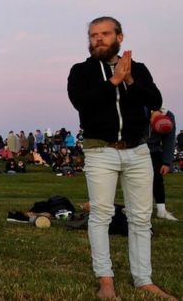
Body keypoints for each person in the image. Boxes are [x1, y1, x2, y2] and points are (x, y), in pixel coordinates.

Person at [67, 16, 175, 300]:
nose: (98, 39)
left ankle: (144, 279)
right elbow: (82, 103)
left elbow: (154, 100)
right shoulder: (81, 71)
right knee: (101, 216)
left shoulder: (137, 69)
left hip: (138, 150)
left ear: (120, 37)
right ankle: (105, 280)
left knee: (140, 218)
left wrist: (128, 79)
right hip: (100, 150)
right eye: (93, 35)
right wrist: (113, 80)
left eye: (104, 34)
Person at [147, 109, 177, 221]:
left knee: (157, 179)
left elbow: (169, 140)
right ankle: (132, 207)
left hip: (154, 150)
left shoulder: (169, 116)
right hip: (137, 149)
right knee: (136, 180)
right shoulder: (139, 109)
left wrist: (166, 162)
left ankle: (161, 210)